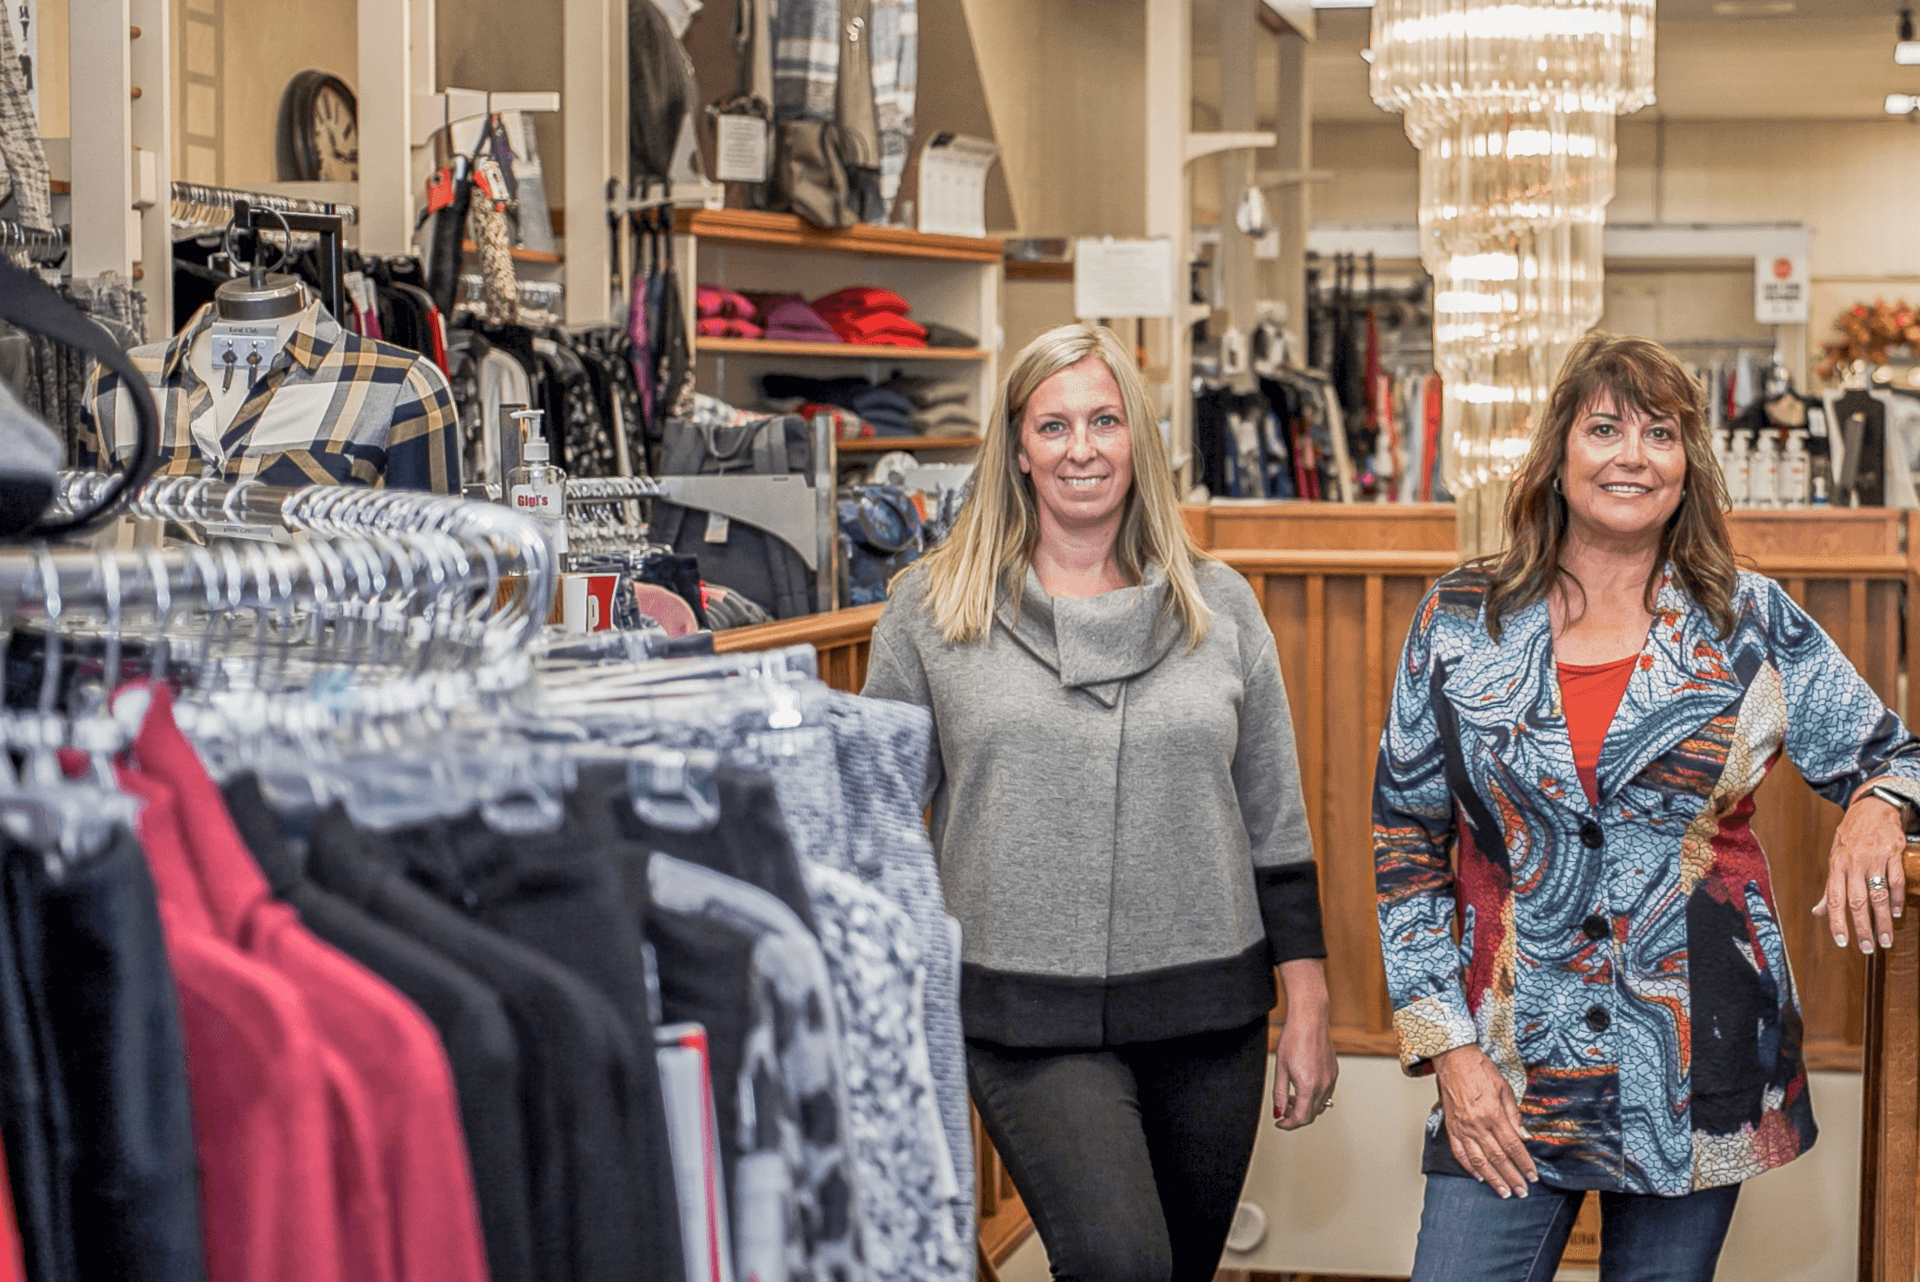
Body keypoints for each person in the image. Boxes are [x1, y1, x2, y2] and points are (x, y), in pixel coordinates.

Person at [1373, 333, 1920, 1282]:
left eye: (1660, 433)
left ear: (1687, 465)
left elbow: (1899, 756)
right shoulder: (1459, 621)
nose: (1632, 454)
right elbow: (1405, 845)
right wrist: (1447, 1051)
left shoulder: (1750, 622)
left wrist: (1879, 808)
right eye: (1605, 428)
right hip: (1508, 1057)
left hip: (1695, 1059)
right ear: (1559, 454)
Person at [862, 323, 1335, 1282]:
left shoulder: (1221, 606)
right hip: (1021, 1016)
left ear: (1139, 441)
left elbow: (1274, 816)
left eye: (1105, 420)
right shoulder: (929, 611)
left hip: (1211, 1011)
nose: (1081, 448)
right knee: (1121, 1263)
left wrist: (1310, 1004)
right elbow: (872, 822)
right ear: (1018, 448)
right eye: (1054, 425)